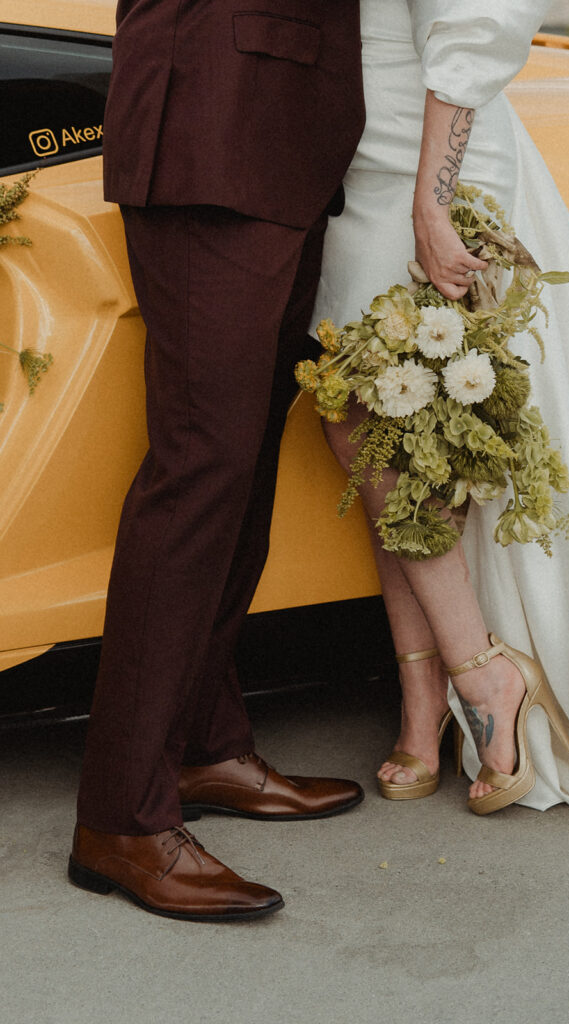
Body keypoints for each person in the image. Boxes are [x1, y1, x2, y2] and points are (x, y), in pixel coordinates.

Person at [315, 0, 569, 835]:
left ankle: (484, 678)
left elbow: (482, 19)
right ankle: (427, 689)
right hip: (353, 169)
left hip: (429, 165)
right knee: (363, 423)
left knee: (414, 433)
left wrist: (430, 205)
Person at [68, 0, 367, 922]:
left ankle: (205, 742)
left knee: (239, 470)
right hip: (211, 135)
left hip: (280, 146)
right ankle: (121, 818)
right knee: (200, 471)